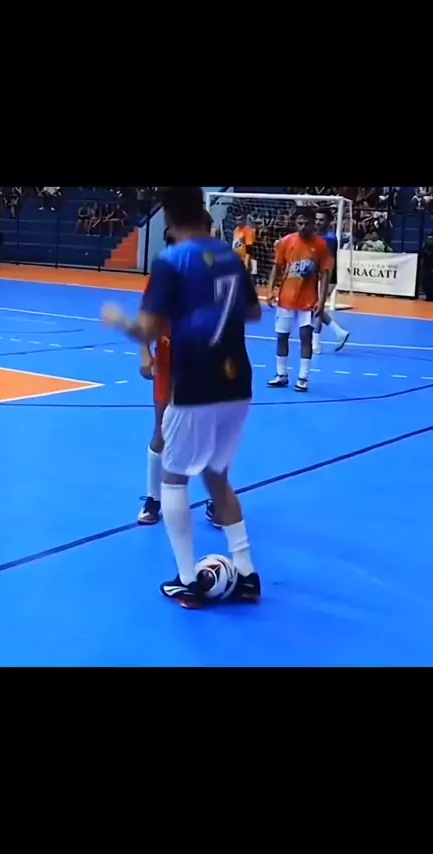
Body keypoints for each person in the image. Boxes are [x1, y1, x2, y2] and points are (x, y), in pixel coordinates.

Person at [103, 186, 262, 608]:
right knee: (217, 476)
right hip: (238, 383)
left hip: (195, 383)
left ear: (169, 219)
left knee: (174, 477)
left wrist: (120, 322)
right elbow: (253, 312)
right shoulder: (231, 256)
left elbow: (148, 330)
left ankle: (189, 579)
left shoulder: (172, 261)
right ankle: (247, 574)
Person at [139, 207, 218, 527]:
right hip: (169, 362)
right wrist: (145, 353)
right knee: (161, 430)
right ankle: (153, 498)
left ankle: (216, 498)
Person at [267, 207, 332, 392]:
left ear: (313, 224)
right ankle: (281, 374)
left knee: (306, 337)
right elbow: (277, 267)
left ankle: (303, 377)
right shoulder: (287, 242)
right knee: (282, 336)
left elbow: (325, 274)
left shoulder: (321, 245)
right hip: (285, 299)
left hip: (308, 301)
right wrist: (270, 290)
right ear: (295, 223)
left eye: (307, 223)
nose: (303, 227)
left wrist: (322, 300)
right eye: (300, 223)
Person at [312, 209, 349, 355]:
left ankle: (316, 344)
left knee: (316, 308)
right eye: (316, 219)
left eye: (321, 219)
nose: (318, 222)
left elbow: (330, 262)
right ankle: (338, 332)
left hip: (326, 277)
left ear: (328, 222)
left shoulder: (330, 238)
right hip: (318, 276)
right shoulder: (315, 236)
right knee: (314, 308)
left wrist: (326, 281)